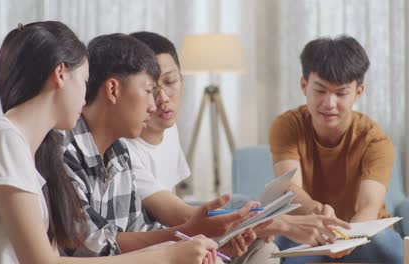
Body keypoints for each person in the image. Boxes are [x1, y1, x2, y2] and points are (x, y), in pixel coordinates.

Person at [0, 21, 217, 264]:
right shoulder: (6, 138)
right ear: (60, 74)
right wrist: (168, 256)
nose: (85, 94)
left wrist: (176, 248)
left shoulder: (29, 148)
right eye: (84, 81)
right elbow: (43, 262)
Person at [123, 31, 351, 263]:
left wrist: (248, 229)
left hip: (176, 235)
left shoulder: (169, 129)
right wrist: (283, 224)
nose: (163, 98)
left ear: (182, 79)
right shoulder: (123, 150)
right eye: (151, 88)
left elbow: (180, 215)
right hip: (154, 247)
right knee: (253, 220)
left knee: (254, 227)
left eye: (170, 81)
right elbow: (179, 215)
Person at [60, 32, 257, 258]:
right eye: (148, 91)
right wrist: (188, 232)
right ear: (113, 90)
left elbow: (141, 231)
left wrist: (209, 243)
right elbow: (92, 243)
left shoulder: (119, 153)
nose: (154, 105)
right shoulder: (63, 151)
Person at [269, 35, 404, 263]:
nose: (329, 103)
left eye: (341, 93)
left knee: (388, 247)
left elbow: (368, 206)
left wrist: (345, 238)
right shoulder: (287, 125)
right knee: (286, 247)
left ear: (358, 92)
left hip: (364, 232)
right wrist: (317, 211)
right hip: (308, 227)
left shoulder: (375, 141)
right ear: (304, 85)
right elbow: (289, 188)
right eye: (320, 90)